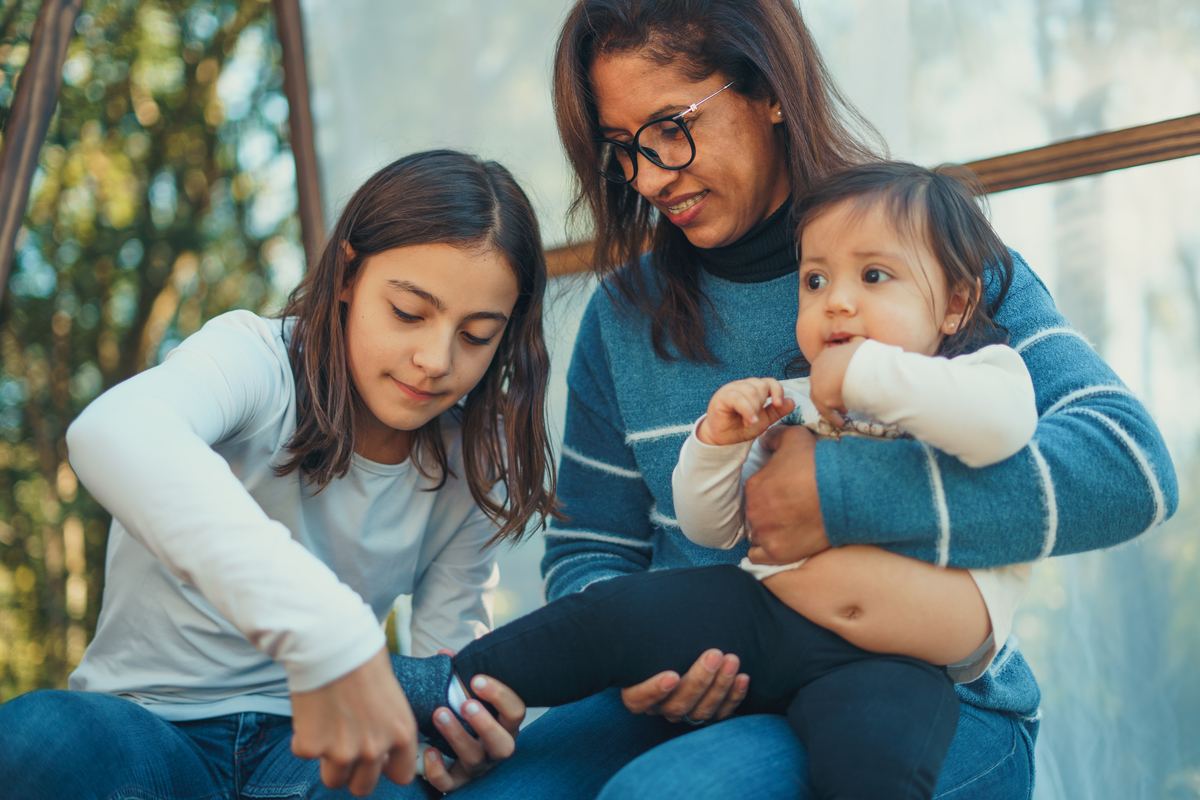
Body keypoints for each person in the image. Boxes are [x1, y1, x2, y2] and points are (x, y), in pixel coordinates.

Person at [443, 2, 1178, 798]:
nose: (649, 178)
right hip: (698, 672)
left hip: (918, 690)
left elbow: (1129, 467)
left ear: (768, 90)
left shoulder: (930, 254)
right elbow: (592, 549)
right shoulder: (622, 314)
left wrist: (838, 494)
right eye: (623, 149)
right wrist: (641, 671)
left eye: (670, 129)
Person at [381, 162, 1043, 800]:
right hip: (765, 619)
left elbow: (1001, 429)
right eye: (815, 281)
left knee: (872, 770)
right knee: (617, 615)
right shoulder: (794, 401)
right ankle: (447, 684)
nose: (837, 302)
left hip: (903, 664)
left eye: (873, 277)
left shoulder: (986, 376)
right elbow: (712, 527)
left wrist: (865, 375)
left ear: (956, 304)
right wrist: (716, 446)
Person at [0, 150, 558, 799]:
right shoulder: (255, 359)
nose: (436, 360)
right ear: (346, 274)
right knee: (38, 738)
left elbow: (445, 667)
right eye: (409, 312)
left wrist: (456, 740)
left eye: (477, 335)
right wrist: (326, 631)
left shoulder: (472, 461)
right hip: (148, 724)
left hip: (314, 749)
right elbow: (113, 431)